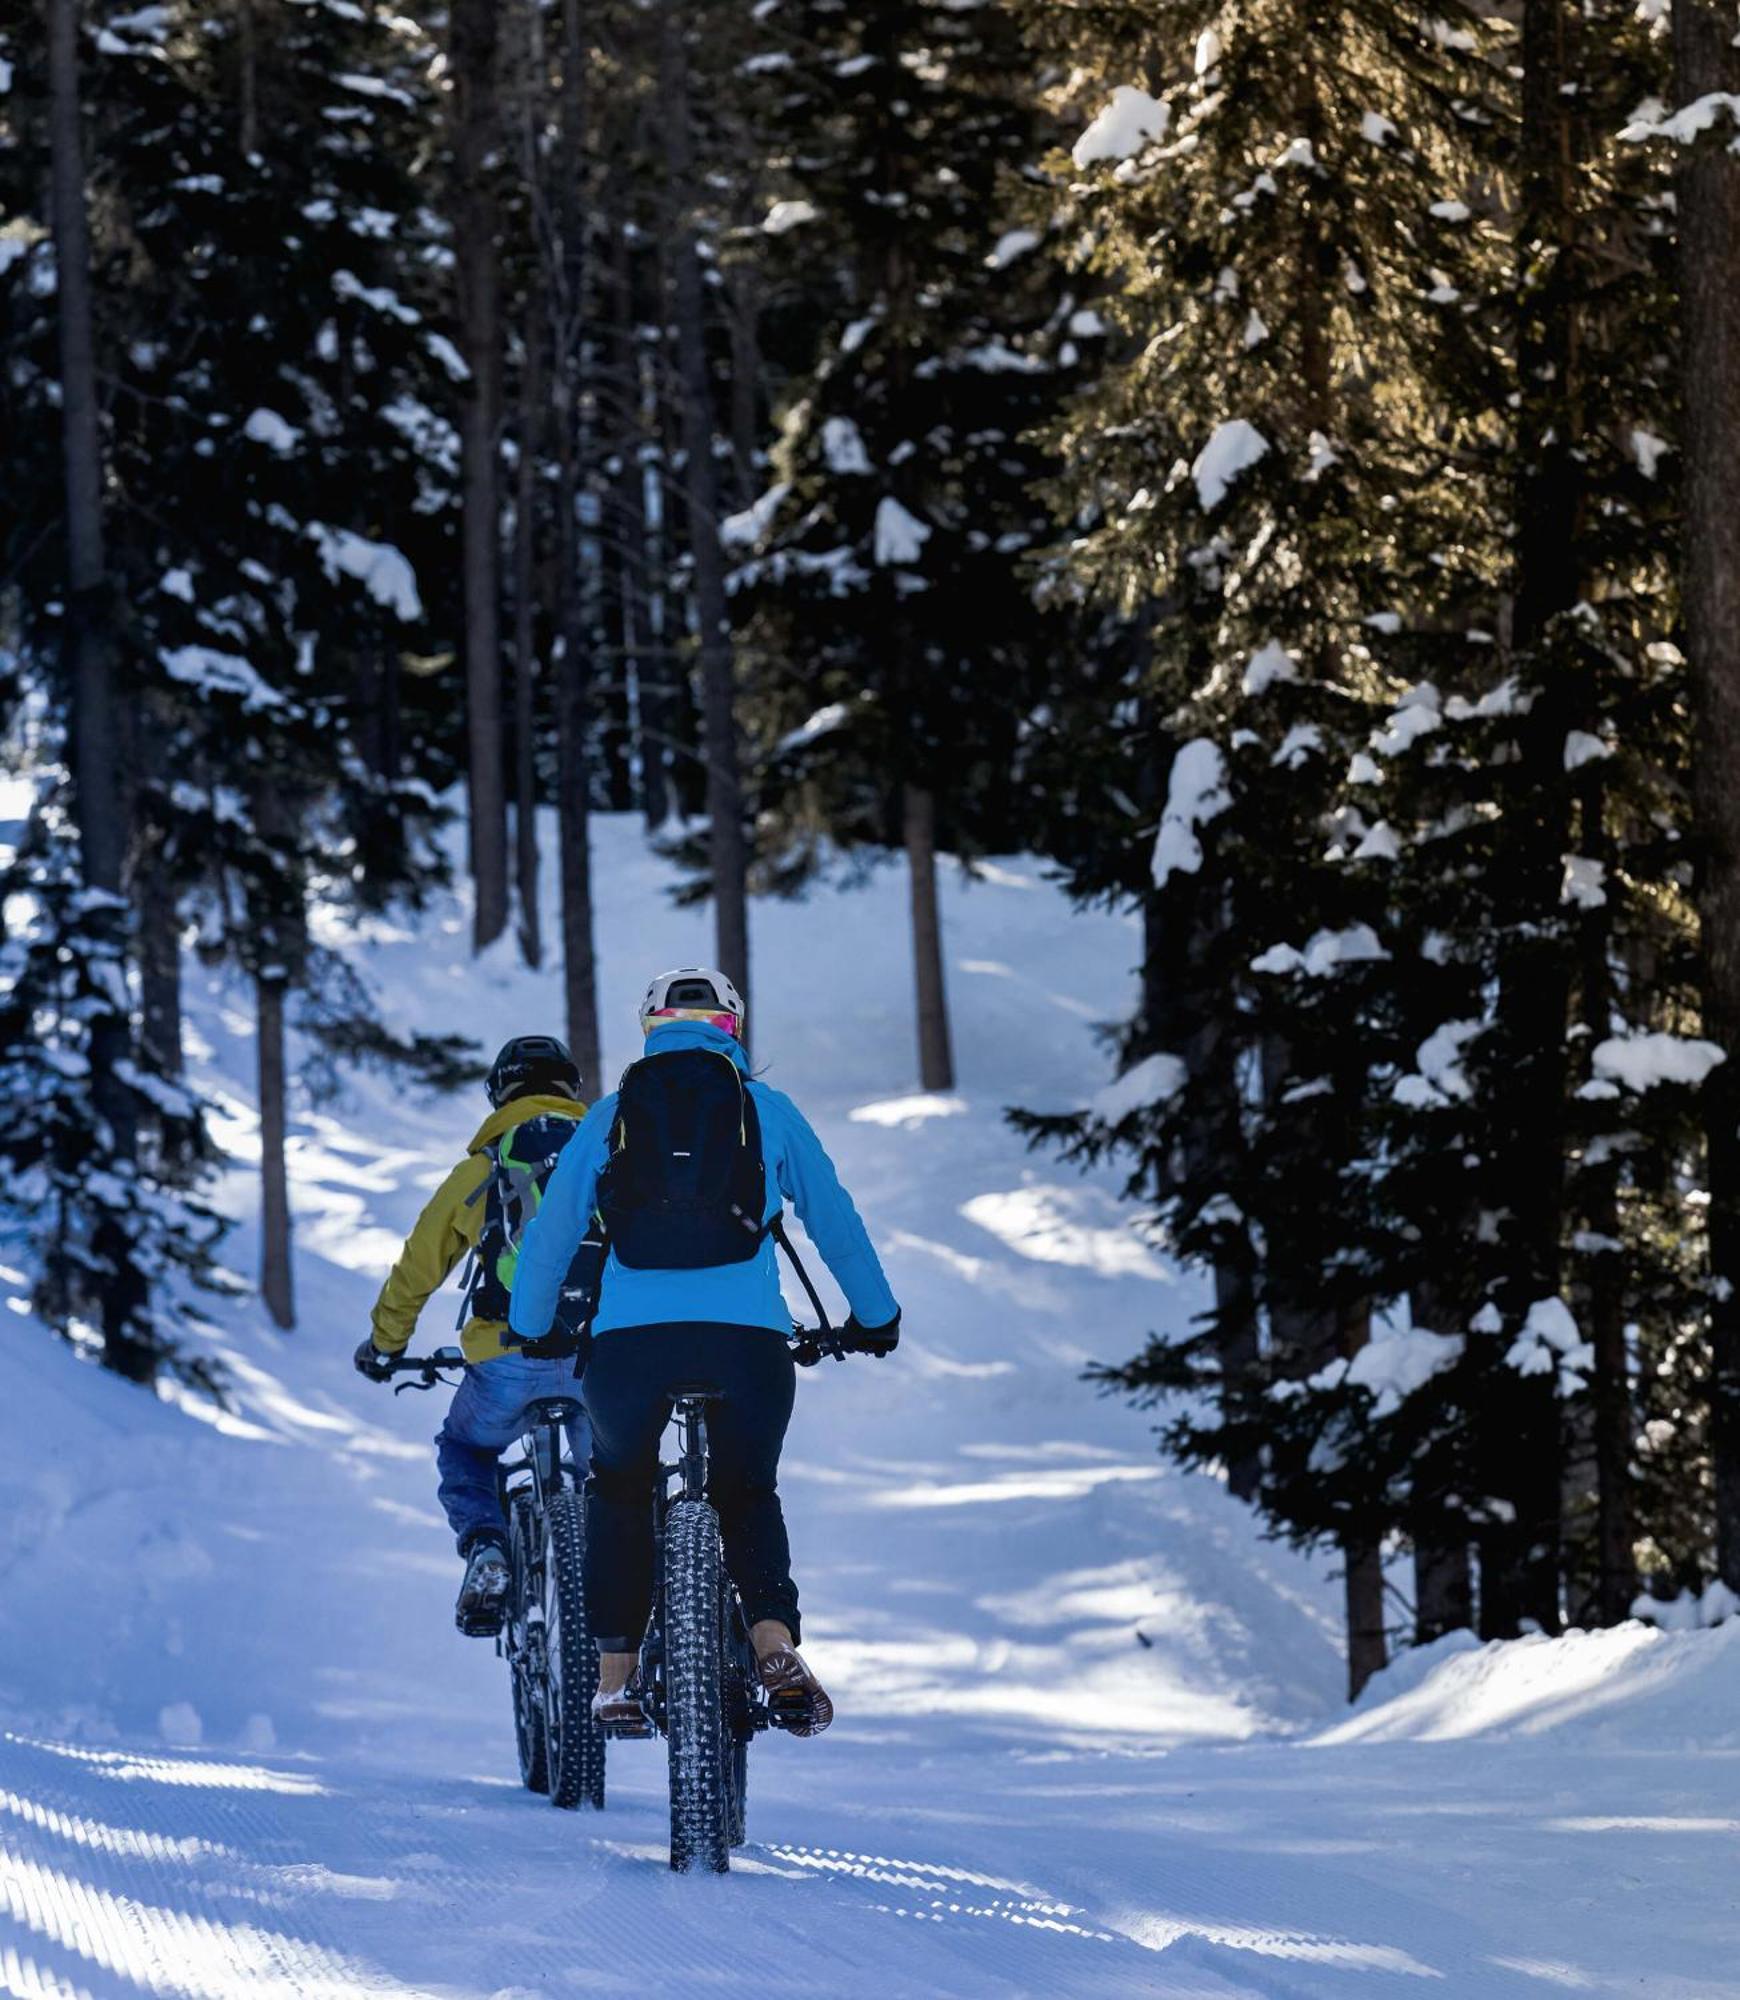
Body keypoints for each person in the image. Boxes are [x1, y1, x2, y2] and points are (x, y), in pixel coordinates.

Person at [508, 966, 901, 1736]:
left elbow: (553, 1231)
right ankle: (771, 1640)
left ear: (649, 1029)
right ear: (734, 1030)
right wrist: (874, 1316)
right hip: (746, 1345)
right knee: (747, 1489)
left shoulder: (615, 1114)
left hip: (629, 1350)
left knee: (618, 1487)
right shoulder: (767, 1108)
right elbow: (836, 1221)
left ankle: (615, 1681)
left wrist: (533, 1325)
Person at [356, 1033, 597, 1636]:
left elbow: (419, 1267)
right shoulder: (607, 1158)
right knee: (621, 1473)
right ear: (572, 1089)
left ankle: (487, 1547)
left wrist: (387, 1345)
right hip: (604, 1357)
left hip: (508, 1358)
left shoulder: (484, 1168)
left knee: (465, 1449)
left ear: (500, 1095)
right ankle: (631, 1566)